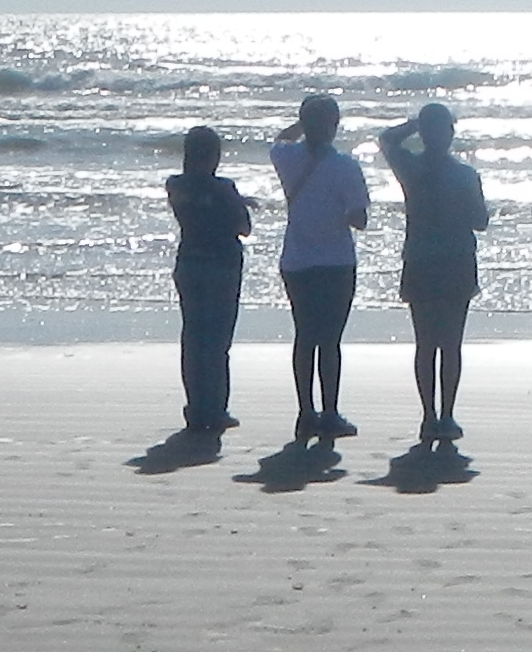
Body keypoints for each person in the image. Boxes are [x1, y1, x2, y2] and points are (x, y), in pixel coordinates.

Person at [377, 100, 490, 445]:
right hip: (454, 260)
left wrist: (416, 123)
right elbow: (481, 221)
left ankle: (431, 415)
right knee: (449, 343)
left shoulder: (410, 167)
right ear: (451, 134)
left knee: (427, 343)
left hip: (423, 259)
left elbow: (386, 139)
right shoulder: (465, 174)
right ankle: (445, 414)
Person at [269, 95, 372, 441]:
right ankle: (329, 411)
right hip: (336, 261)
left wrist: (303, 122)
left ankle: (305, 411)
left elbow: (281, 138)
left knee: (304, 337)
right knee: (330, 341)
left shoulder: (286, 157)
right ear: (335, 125)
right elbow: (359, 220)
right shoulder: (346, 167)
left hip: (297, 260)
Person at [164, 126, 258, 433]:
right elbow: (243, 227)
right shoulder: (224, 188)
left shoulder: (176, 185)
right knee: (218, 342)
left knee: (193, 339)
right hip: (221, 265)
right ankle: (215, 408)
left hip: (189, 261)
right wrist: (240, 202)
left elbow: (203, 200)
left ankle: (195, 407)